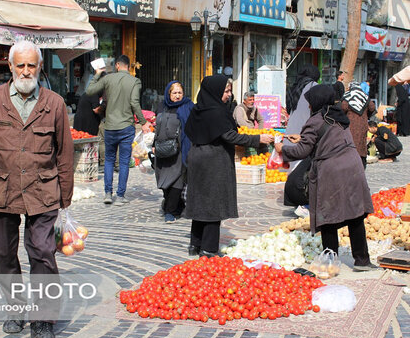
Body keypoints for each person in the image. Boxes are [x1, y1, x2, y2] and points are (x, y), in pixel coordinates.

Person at [0, 41, 74, 338]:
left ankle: (43, 319)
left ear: (40, 67)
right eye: (20, 65)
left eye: (32, 65)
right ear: (10, 67)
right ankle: (14, 309)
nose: (26, 71)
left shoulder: (54, 104)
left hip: (43, 191)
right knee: (4, 255)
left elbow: (64, 154)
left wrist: (66, 202)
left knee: (43, 253)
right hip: (0, 191)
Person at [276, 84, 376, 272]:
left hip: (333, 170)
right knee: (355, 215)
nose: (308, 106)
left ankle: (331, 260)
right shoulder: (338, 114)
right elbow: (327, 138)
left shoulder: (315, 120)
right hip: (353, 166)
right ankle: (362, 260)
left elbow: (302, 150)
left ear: (316, 101)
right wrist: (304, 137)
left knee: (327, 215)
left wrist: (283, 150)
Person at [184, 75, 274, 257]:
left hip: (197, 157)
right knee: (213, 204)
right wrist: (257, 139)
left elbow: (189, 130)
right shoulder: (216, 112)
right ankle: (208, 249)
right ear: (215, 91)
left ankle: (195, 243)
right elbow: (230, 136)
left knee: (201, 201)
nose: (228, 95)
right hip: (213, 160)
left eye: (229, 91)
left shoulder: (198, 109)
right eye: (226, 91)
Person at [86, 55, 152, 205]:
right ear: (128, 67)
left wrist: (97, 74)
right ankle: (120, 196)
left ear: (117, 65)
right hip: (126, 127)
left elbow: (89, 91)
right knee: (123, 162)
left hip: (109, 126)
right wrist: (143, 122)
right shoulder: (135, 81)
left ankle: (108, 193)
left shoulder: (108, 79)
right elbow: (135, 102)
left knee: (109, 160)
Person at [154, 81, 193, 223]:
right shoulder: (161, 106)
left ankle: (169, 212)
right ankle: (174, 205)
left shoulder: (188, 106)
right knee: (163, 180)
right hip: (162, 150)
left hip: (180, 150)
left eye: (180, 93)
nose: (177, 96)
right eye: (174, 93)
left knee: (177, 180)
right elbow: (157, 127)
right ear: (168, 93)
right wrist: (153, 144)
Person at [285, 65, 320, 169]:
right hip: (306, 129)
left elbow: (288, 109)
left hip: (291, 130)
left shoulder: (294, 87)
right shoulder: (314, 86)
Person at [341, 81, 372, 168]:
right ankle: (361, 163)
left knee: (351, 142)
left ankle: (350, 162)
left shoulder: (348, 96)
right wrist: (366, 115)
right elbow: (372, 107)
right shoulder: (364, 96)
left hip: (350, 124)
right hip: (363, 125)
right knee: (361, 143)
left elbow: (343, 107)